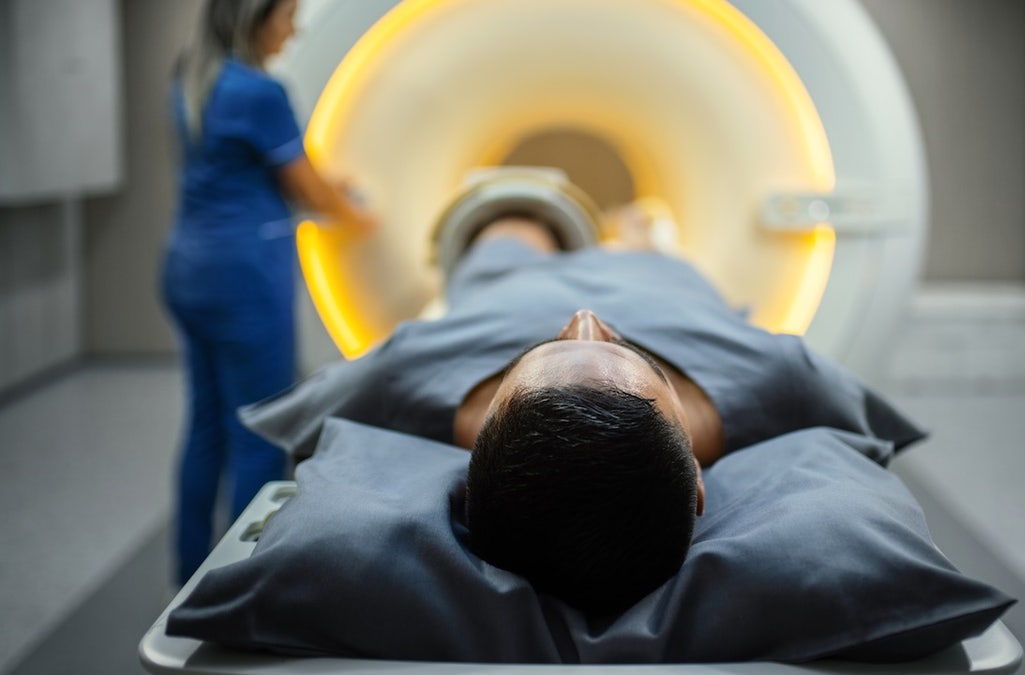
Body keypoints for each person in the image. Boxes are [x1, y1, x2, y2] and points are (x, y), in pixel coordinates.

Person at [241, 173, 923, 616]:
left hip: (507, 284)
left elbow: (291, 425)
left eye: (547, 349)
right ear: (696, 483)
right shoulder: (784, 378)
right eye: (626, 351)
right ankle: (636, 235)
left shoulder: (402, 375)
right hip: (663, 283)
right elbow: (883, 437)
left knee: (508, 237)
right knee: (650, 236)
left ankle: (540, 232)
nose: (587, 316)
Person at [161, 0, 375, 586]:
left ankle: (188, 573)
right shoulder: (261, 92)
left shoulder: (193, 77)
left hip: (187, 267)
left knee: (206, 423)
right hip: (242, 278)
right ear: (253, 18)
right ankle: (242, 584)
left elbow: (251, 168)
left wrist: (330, 184)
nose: (295, 28)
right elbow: (312, 193)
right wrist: (365, 215)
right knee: (260, 429)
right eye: (287, 16)